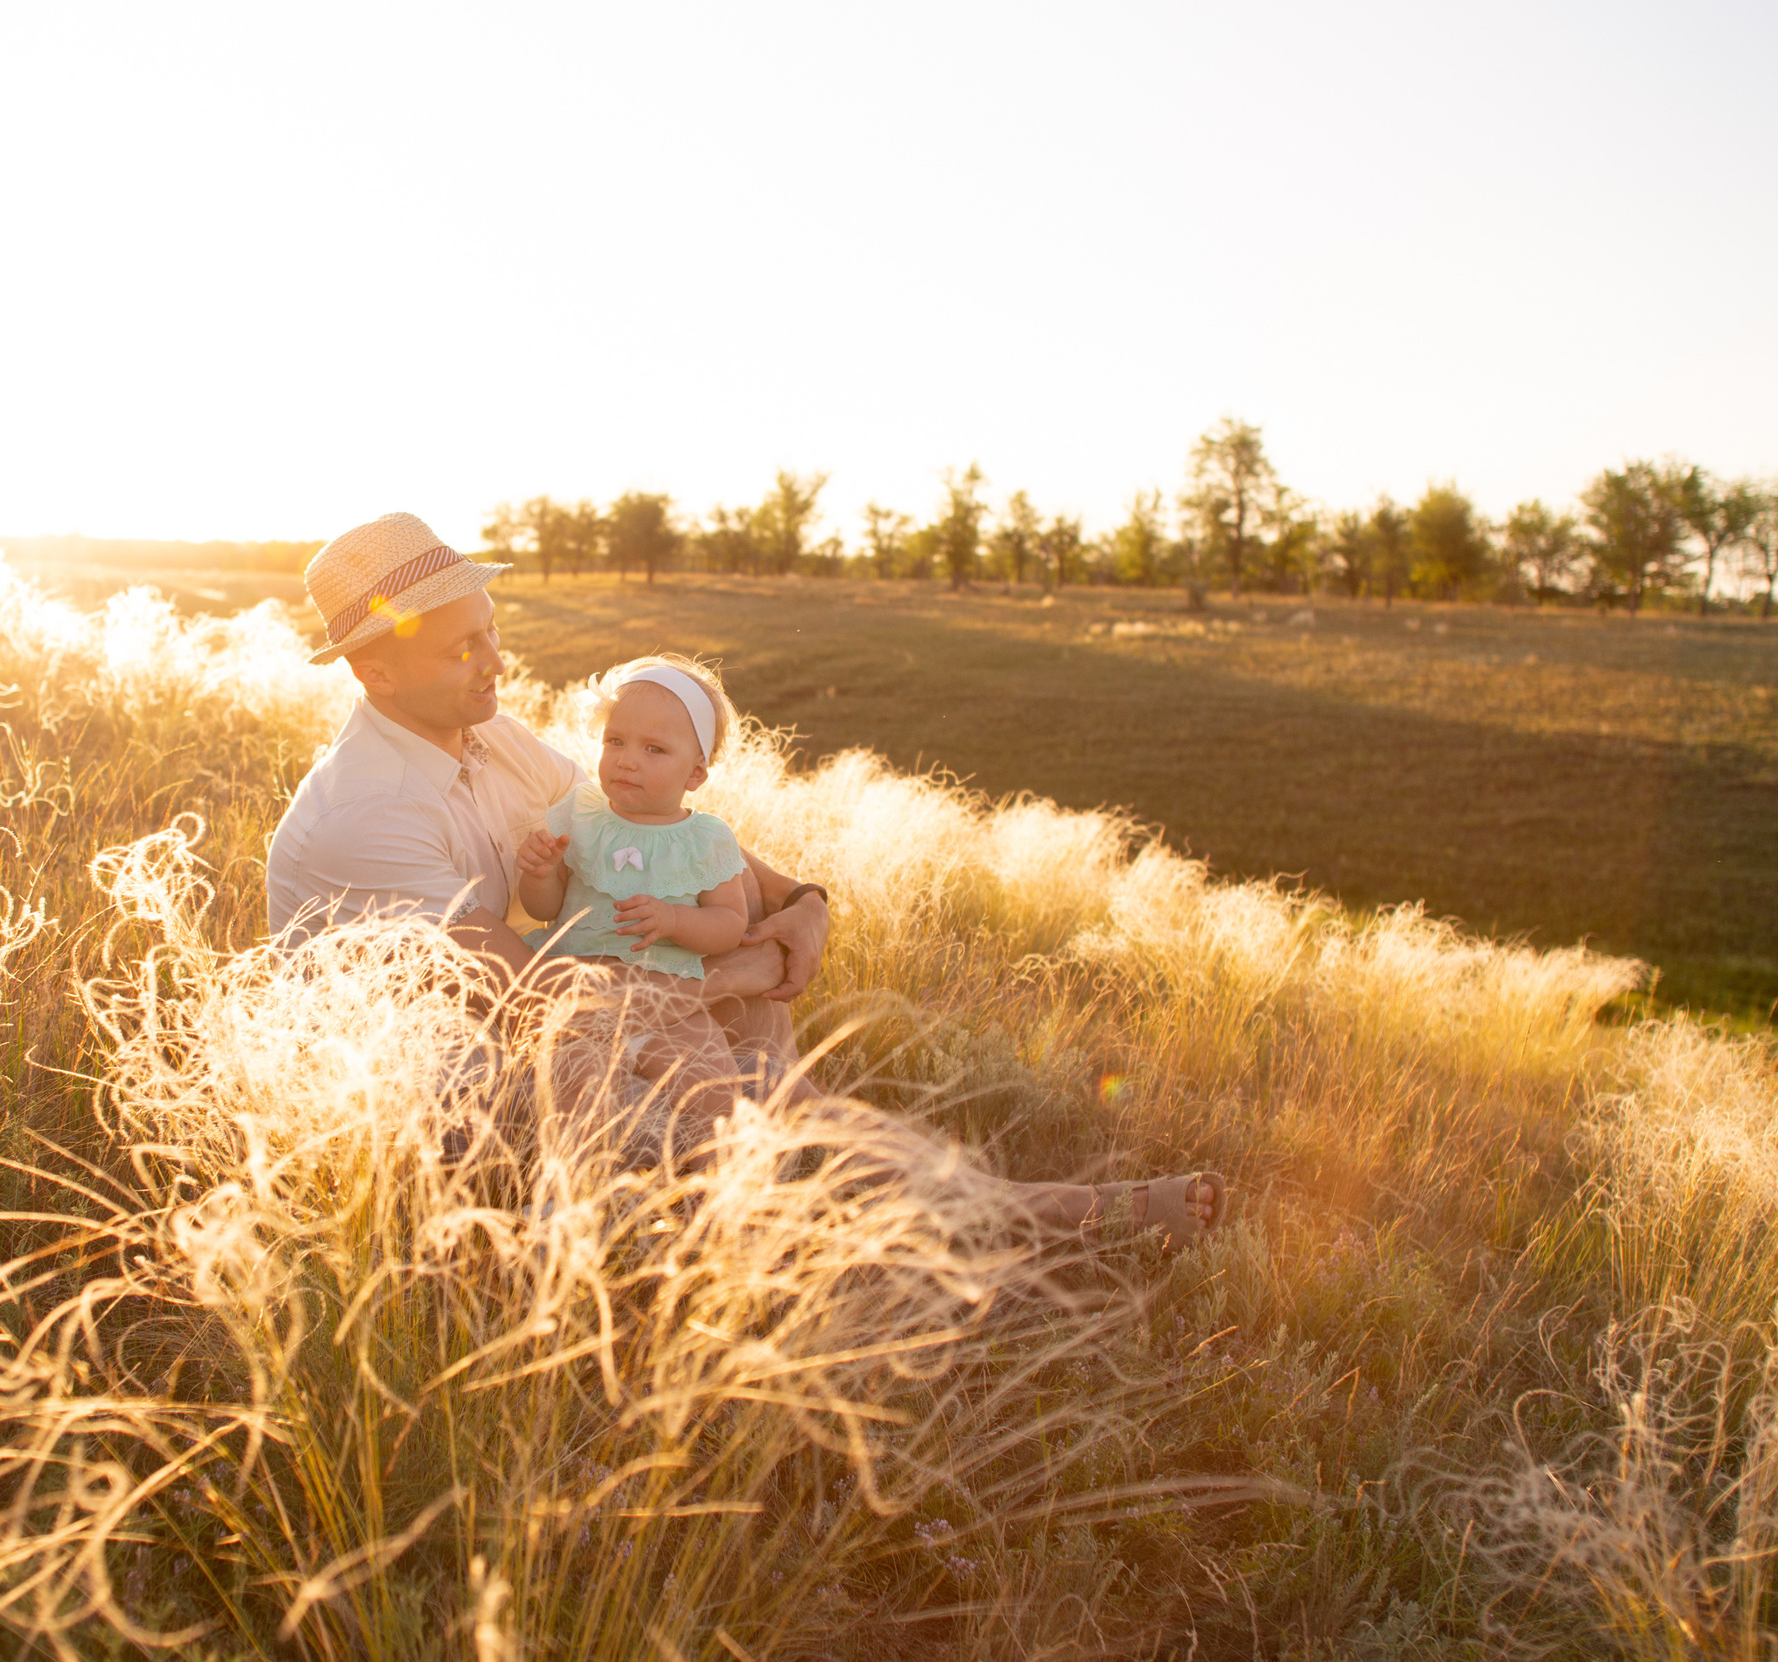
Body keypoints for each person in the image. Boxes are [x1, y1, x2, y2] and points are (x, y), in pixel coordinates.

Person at [264, 512, 1222, 1247]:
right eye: (461, 646)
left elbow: (635, 825)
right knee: (733, 1129)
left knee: (763, 1087)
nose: (494, 660)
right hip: (444, 1097)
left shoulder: (487, 733)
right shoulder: (369, 812)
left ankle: (1015, 1210)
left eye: (491, 628)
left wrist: (799, 902)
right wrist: (736, 970)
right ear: (374, 673)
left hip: (579, 1022)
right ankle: (991, 1227)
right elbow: (528, 991)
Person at [515, 656, 758, 1118]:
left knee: (712, 1088)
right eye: (616, 741)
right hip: (580, 987)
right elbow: (546, 909)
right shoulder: (581, 813)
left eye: (654, 750)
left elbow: (730, 923)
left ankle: (711, 1182)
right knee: (575, 1079)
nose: (627, 760)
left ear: (695, 774)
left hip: (672, 998)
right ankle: (576, 1183)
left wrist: (674, 919)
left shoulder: (705, 840)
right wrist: (541, 874)